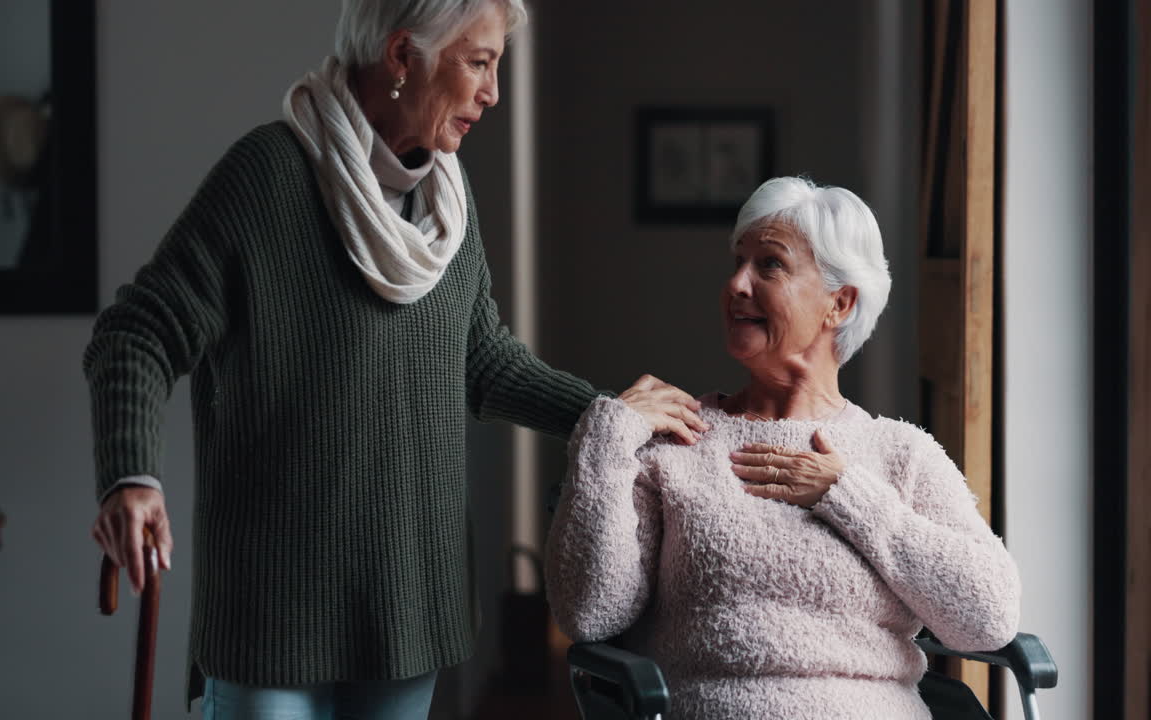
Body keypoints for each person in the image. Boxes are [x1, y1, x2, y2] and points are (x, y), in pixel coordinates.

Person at [84, 1, 704, 718]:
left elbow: (484, 361)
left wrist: (608, 417)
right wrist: (129, 477)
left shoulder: (447, 200)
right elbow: (136, 333)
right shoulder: (268, 176)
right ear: (404, 57)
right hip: (272, 616)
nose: (493, 92)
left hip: (411, 605)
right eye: (479, 62)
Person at [545, 177, 1021, 719]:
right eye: (737, 262)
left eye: (769, 265)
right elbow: (590, 615)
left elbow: (989, 616)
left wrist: (846, 495)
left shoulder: (901, 454)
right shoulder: (677, 443)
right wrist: (606, 439)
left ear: (838, 304)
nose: (736, 285)